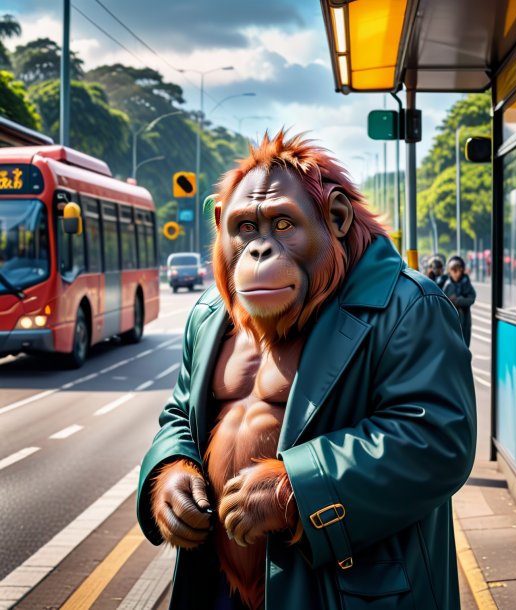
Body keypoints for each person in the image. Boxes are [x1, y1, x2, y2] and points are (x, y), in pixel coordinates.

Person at [137, 132, 476, 610]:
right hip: (220, 586)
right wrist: (169, 472)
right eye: (245, 229)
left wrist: (295, 489)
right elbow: (180, 416)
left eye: (282, 223)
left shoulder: (407, 305)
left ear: (335, 219)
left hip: (345, 590)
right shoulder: (210, 315)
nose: (259, 251)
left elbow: (438, 439)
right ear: (220, 225)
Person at [442, 255, 477, 347]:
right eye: (454, 270)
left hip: (465, 320)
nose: (457, 273)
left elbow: (471, 298)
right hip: (451, 322)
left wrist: (459, 301)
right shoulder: (447, 285)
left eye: (459, 270)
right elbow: (442, 303)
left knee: (464, 346)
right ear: (449, 271)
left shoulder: (466, 283)